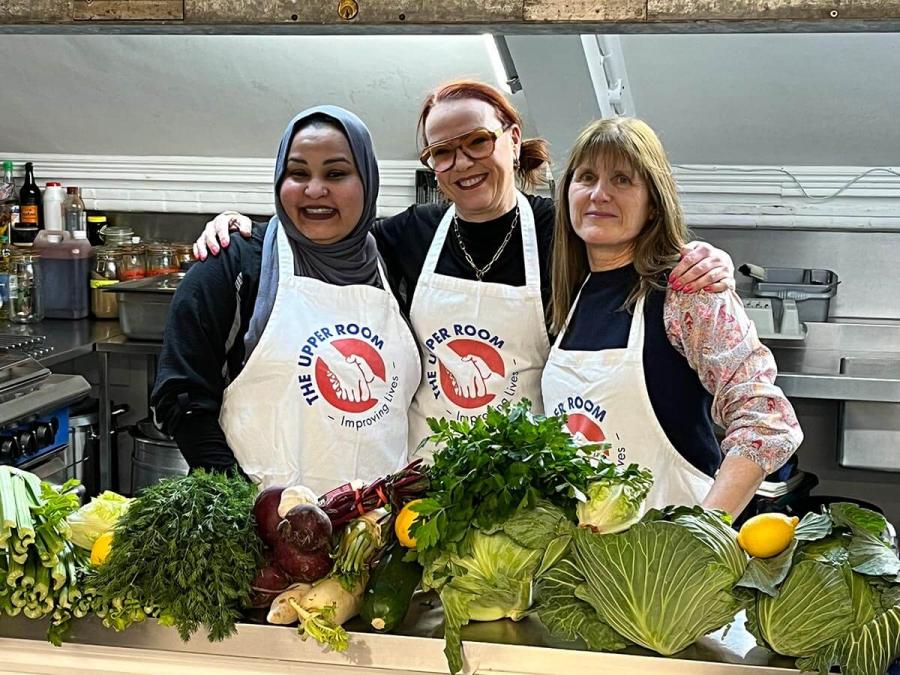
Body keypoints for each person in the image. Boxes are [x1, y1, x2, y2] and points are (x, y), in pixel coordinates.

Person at [192, 81, 735, 457]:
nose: (462, 163)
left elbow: (630, 232)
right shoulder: (411, 234)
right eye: (441, 152)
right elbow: (328, 234)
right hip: (423, 485)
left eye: (477, 141)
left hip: (530, 481)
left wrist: (705, 257)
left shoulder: (562, 232)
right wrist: (246, 231)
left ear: (513, 139)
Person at [150, 106, 421, 494]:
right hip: (259, 533)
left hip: (377, 531)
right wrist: (240, 507)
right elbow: (180, 394)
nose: (314, 190)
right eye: (297, 173)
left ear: (369, 182)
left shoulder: (398, 262)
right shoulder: (236, 261)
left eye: (336, 173)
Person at [542, 116, 803, 517]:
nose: (599, 194)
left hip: (670, 561)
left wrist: (703, 535)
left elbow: (767, 421)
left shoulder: (686, 290)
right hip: (583, 557)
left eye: (622, 180)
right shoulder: (566, 294)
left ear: (652, 204)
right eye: (586, 177)